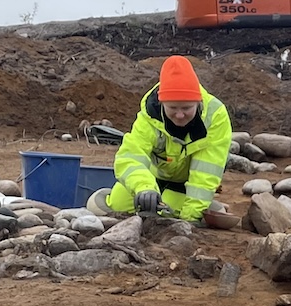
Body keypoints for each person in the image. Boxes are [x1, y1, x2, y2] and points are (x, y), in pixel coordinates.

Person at [94, 54, 232, 221]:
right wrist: (144, 189)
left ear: (198, 102)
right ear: (161, 103)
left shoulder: (215, 117)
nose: (180, 115)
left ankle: (209, 208)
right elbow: (130, 157)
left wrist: (190, 219)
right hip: (153, 179)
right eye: (172, 107)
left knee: (170, 211)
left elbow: (205, 175)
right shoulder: (149, 116)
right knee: (117, 205)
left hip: (186, 186)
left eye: (187, 108)